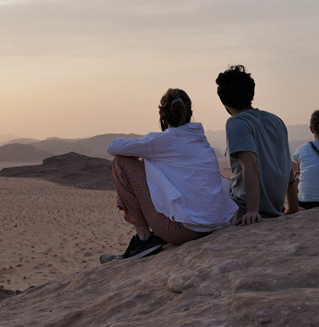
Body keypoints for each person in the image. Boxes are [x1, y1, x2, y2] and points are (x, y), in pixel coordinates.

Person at [100, 88, 237, 263]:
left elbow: (112, 147)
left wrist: (146, 146)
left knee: (122, 162)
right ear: (190, 112)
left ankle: (144, 239)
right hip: (217, 223)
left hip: (183, 231)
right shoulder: (201, 140)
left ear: (161, 114)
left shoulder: (162, 141)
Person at [216, 65, 291, 225]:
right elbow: (288, 166)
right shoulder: (276, 120)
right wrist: (294, 205)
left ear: (223, 101)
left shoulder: (236, 123)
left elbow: (250, 166)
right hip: (276, 207)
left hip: (245, 207)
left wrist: (252, 211)